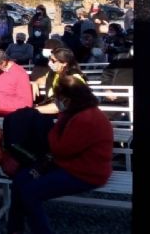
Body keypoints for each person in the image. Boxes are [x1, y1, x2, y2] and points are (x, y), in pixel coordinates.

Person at [7, 75, 113, 234]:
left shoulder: (85, 119)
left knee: (30, 192)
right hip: (71, 165)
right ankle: (15, 228)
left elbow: (59, 149)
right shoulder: (82, 112)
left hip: (86, 173)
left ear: (68, 99)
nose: (56, 101)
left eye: (58, 97)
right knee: (20, 179)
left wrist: (56, 127)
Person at [34, 48, 86, 115]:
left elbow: (60, 106)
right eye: (49, 59)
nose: (49, 63)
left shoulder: (73, 79)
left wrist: (34, 110)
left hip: (71, 114)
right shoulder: (54, 73)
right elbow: (43, 79)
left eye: (53, 60)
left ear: (64, 63)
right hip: (54, 108)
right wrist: (35, 83)